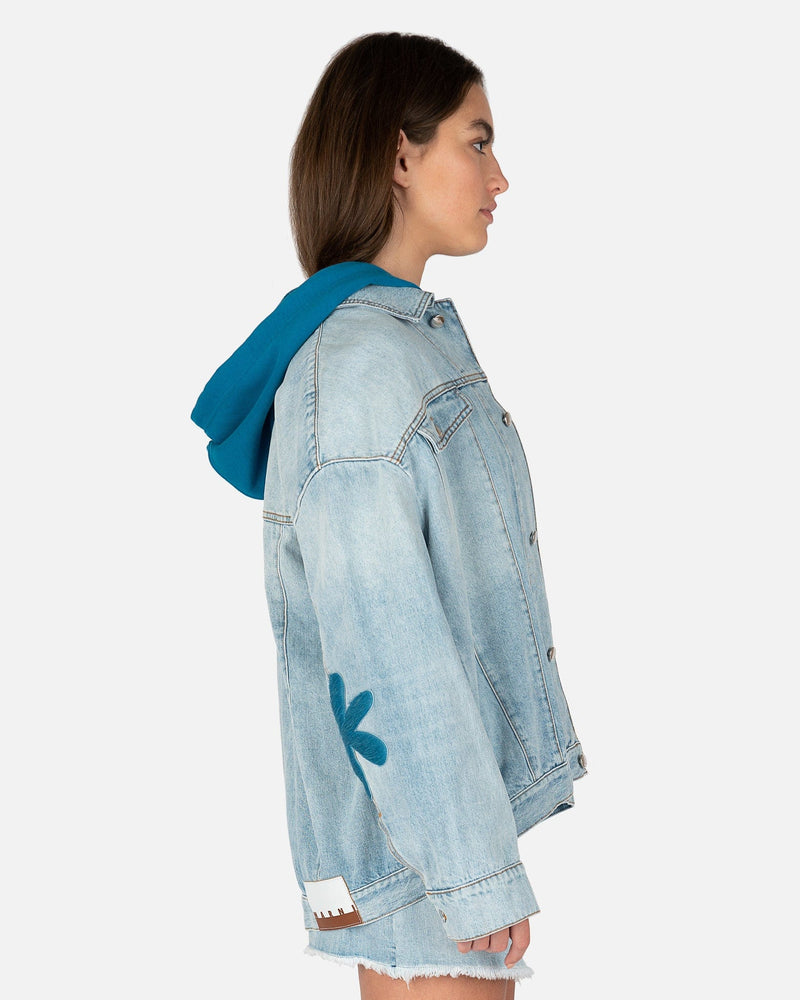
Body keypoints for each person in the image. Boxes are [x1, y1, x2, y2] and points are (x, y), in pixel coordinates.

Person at [192, 31, 588, 1000]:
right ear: (399, 157)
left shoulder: (401, 345)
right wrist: (469, 868)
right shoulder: (363, 367)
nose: (499, 176)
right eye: (477, 141)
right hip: (420, 861)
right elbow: (383, 639)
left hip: (428, 840)